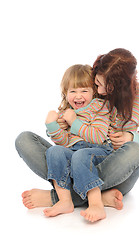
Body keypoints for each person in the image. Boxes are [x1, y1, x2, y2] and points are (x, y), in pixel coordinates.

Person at [15, 48, 139, 220]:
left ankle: (57, 197)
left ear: (119, 86)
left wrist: (131, 137)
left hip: (111, 167)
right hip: (77, 158)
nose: (100, 91)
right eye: (96, 83)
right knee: (26, 141)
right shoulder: (95, 90)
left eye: (103, 86)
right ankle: (97, 196)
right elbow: (76, 96)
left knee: (135, 150)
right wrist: (58, 125)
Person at [43, 64, 114, 222]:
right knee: (54, 151)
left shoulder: (99, 108)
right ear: (65, 93)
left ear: (94, 92)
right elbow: (63, 142)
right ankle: (65, 200)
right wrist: (52, 125)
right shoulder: (67, 112)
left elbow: (98, 136)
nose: (78, 96)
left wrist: (74, 122)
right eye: (73, 91)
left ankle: (96, 204)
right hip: (75, 152)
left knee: (80, 155)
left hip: (99, 151)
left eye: (84, 91)